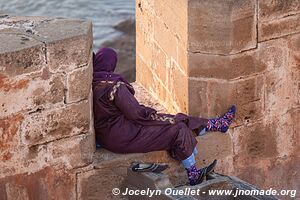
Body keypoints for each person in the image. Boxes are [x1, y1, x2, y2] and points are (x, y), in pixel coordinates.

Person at [93, 47, 236, 186]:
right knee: (177, 127)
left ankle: (213, 125)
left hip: (107, 137)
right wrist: (151, 113)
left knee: (172, 121)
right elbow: (136, 114)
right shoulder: (114, 86)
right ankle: (194, 174)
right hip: (124, 135)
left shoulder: (92, 84)